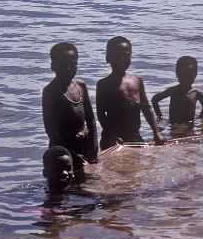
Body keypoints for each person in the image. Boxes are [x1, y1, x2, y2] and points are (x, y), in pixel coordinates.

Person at [96, 36, 162, 150]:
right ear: (108, 58)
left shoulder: (137, 81)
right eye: (118, 56)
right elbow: (101, 114)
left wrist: (156, 132)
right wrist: (111, 135)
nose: (122, 59)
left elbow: (146, 109)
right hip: (112, 139)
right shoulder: (104, 84)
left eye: (126, 55)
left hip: (134, 136)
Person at [42, 42, 98, 174]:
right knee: (64, 181)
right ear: (53, 66)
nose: (68, 68)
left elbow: (91, 119)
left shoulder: (81, 86)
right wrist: (72, 156)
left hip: (83, 147)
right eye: (63, 64)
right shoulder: (50, 92)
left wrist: (94, 148)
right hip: (62, 152)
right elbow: (51, 131)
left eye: (72, 64)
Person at [151, 56, 203, 127]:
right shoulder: (174, 91)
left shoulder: (196, 93)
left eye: (189, 76)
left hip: (188, 124)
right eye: (184, 76)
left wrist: (200, 118)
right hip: (174, 124)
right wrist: (160, 117)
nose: (186, 79)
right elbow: (154, 99)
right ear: (177, 75)